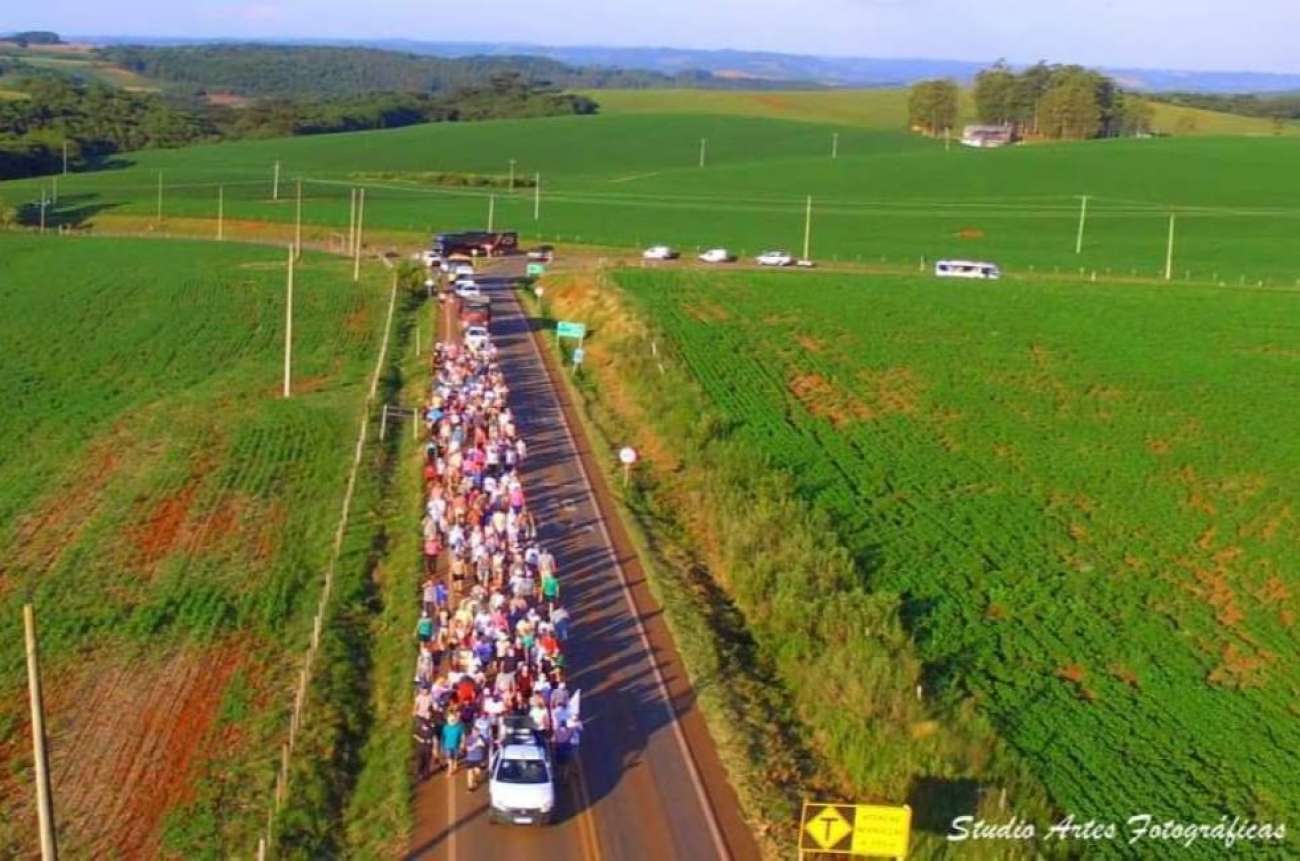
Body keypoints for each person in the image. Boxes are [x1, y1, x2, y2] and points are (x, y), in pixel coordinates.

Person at [442, 710, 465, 776]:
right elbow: (443, 736)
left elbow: (463, 735)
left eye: (453, 718)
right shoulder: (445, 727)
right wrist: (442, 745)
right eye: (450, 718)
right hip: (447, 745)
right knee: (449, 759)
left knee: (455, 757)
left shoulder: (459, 726)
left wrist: (462, 743)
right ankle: (450, 770)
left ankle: (455, 764)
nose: (452, 719)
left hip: (456, 745)